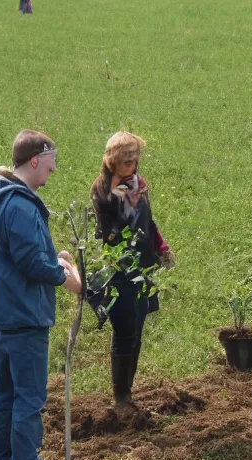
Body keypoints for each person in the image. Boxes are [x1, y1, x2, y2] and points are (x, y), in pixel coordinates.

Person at [0, 129, 82, 460]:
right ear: (35, 160)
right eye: (51, 166)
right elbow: (28, 261)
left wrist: (54, 258)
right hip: (25, 319)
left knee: (5, 393)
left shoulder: (2, 199)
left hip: (6, 315)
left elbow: (21, 255)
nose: (52, 173)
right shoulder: (20, 205)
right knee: (29, 398)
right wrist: (62, 275)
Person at [90, 131, 174, 412]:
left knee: (137, 329)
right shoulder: (102, 191)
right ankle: (120, 396)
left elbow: (149, 221)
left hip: (142, 266)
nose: (132, 165)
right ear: (112, 160)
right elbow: (106, 233)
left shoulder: (140, 185)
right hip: (118, 269)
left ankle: (128, 393)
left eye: (135, 160)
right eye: (127, 160)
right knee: (124, 330)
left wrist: (161, 247)